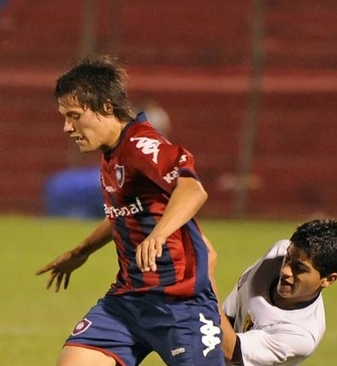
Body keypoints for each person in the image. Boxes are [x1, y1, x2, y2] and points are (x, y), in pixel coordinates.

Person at [36, 55, 225, 366]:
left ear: (106, 107)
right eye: (64, 118)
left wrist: (159, 234)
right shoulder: (111, 153)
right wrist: (81, 251)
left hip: (180, 305)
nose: (67, 127)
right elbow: (124, 214)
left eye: (74, 116)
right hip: (127, 302)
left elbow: (192, 189)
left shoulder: (141, 144)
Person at [212, 219, 337, 366]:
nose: (285, 270)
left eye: (299, 268)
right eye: (288, 258)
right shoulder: (277, 253)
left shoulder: (300, 334)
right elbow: (231, 313)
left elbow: (230, 350)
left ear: (328, 280)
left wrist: (206, 278)